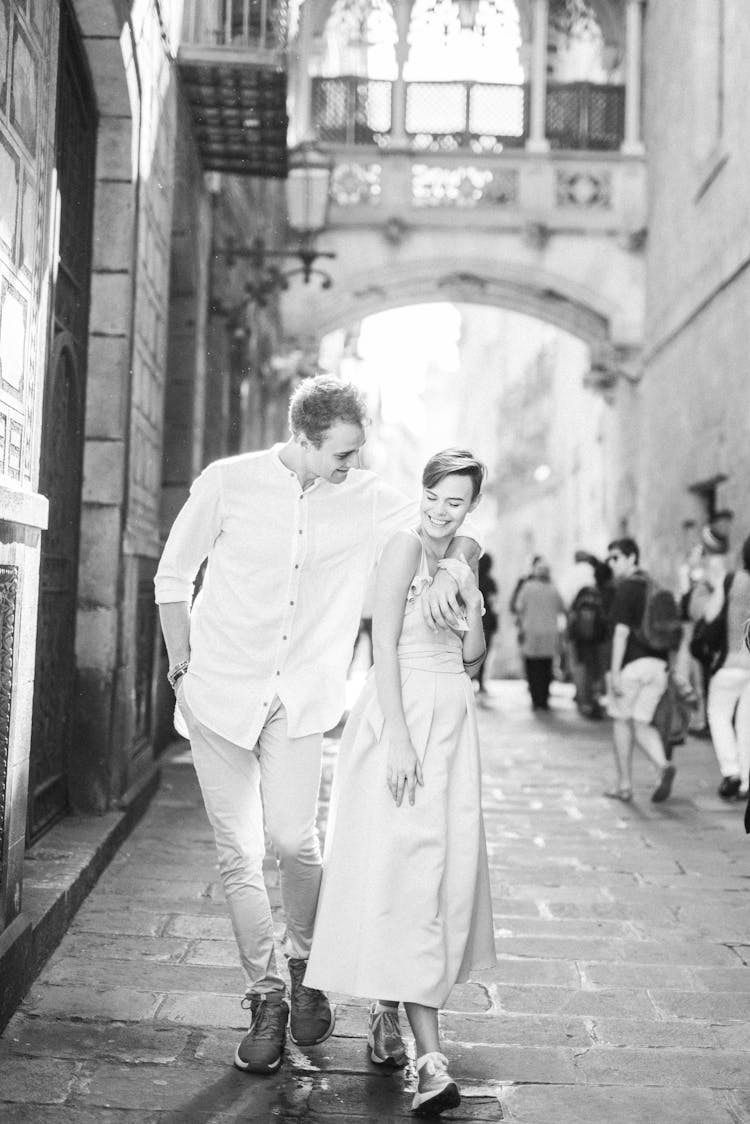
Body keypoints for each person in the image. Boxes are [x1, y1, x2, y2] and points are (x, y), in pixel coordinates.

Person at [153, 376, 480, 1076]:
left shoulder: (365, 498)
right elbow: (172, 577)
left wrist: (459, 562)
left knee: (293, 842)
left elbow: (448, 526)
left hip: (301, 698)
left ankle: (306, 965)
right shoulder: (228, 482)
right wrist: (181, 664)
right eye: (343, 452)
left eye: (359, 451)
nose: (354, 464)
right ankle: (266, 995)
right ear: (302, 439)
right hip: (219, 692)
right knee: (239, 851)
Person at [305, 449, 496, 1118]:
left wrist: (468, 591)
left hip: (453, 719)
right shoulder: (400, 548)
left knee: (434, 876)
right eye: (436, 496)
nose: (443, 510)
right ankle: (428, 1061)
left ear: (470, 507)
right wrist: (400, 738)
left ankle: (391, 1014)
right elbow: (383, 644)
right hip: (402, 718)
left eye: (456, 502)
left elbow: (472, 656)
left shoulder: (462, 561)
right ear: (422, 491)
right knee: (409, 876)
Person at [604, 537, 677, 803]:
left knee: (622, 721)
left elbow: (621, 633)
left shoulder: (627, 588)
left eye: (616, 558)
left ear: (632, 557)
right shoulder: (652, 584)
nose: (611, 564)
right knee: (642, 722)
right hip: (658, 666)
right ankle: (663, 765)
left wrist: (613, 673)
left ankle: (624, 785)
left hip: (632, 666)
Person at [705, 533, 750, 800]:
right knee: (747, 724)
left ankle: (731, 770)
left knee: (719, 715)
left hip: (730, 662)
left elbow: (710, 615)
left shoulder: (732, 580)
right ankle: (746, 781)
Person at [514, 557, 565, 711]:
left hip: (531, 632)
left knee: (532, 666)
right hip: (549, 633)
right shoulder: (553, 589)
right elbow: (562, 608)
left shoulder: (527, 587)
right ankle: (544, 699)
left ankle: (536, 700)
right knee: (546, 667)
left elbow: (518, 607)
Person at [476, 552, 499, 697]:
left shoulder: (472, 579)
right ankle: (481, 682)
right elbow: (494, 602)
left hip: (472, 620)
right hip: (488, 621)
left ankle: (471, 678)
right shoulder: (490, 582)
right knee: (484, 652)